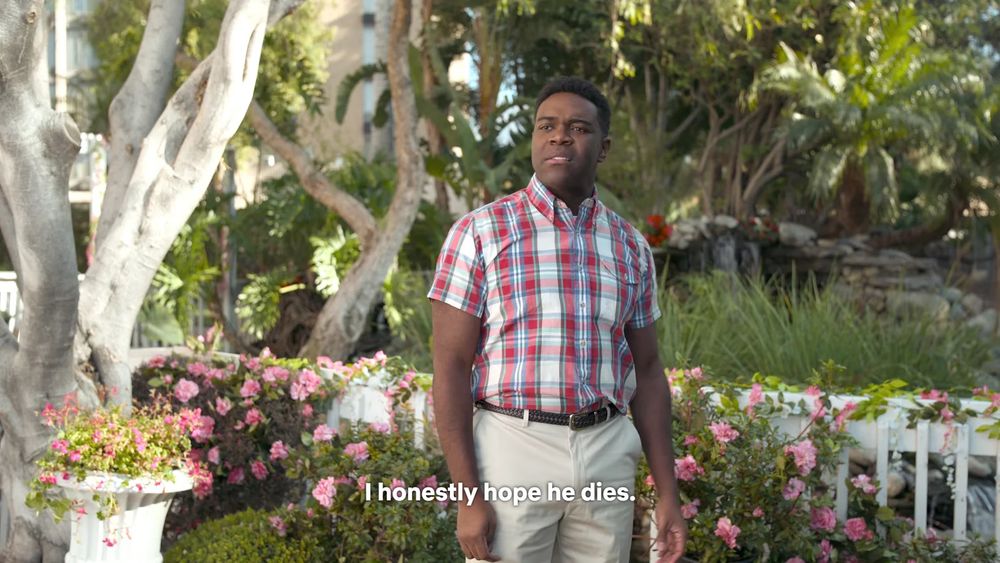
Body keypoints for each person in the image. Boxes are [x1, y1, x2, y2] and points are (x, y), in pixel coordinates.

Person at [428, 76, 686, 563]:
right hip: (512, 446)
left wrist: (667, 494)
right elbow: (450, 369)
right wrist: (468, 496)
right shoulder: (479, 233)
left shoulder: (629, 245)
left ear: (603, 147)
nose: (560, 136)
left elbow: (649, 372)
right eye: (546, 125)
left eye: (578, 128)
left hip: (606, 450)